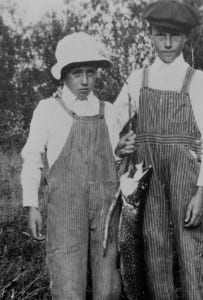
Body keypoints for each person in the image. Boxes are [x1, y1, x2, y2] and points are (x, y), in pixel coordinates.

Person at [114, 1, 203, 299]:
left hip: (184, 172)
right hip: (147, 173)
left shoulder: (197, 81)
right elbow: (111, 122)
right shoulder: (138, 79)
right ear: (150, 34)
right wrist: (118, 145)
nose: (169, 43)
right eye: (161, 35)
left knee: (190, 246)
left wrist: (202, 190)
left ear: (187, 37)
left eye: (175, 35)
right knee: (153, 244)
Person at [21, 32, 123, 300]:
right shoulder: (48, 110)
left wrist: (124, 154)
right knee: (68, 283)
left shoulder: (109, 111)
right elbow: (32, 156)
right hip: (65, 211)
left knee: (108, 284)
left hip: (106, 209)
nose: (86, 81)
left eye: (91, 72)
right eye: (78, 73)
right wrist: (31, 205)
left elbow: (116, 161)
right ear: (64, 74)